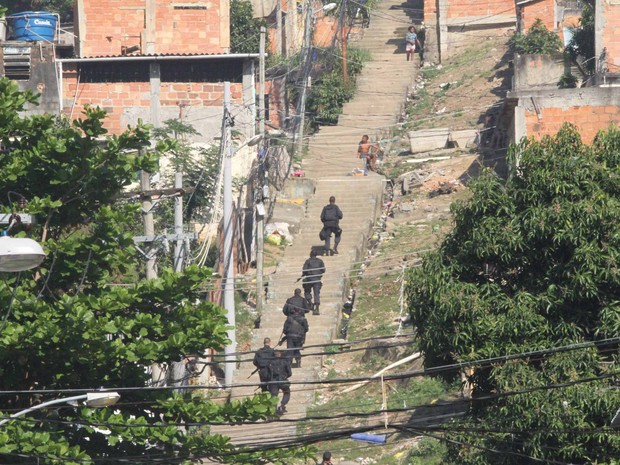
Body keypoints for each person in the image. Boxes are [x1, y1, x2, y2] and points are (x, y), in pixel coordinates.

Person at [268, 350, 292, 415]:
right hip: (283, 380)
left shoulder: (270, 362)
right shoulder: (285, 361)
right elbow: (290, 373)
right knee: (287, 393)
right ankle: (282, 405)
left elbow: (267, 373)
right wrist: (285, 376)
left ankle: (274, 409)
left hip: (273, 381)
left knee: (274, 396)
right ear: (280, 354)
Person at [302, 249, 326, 315]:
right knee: (316, 293)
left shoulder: (308, 261)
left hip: (309, 279)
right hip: (317, 279)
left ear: (311, 254)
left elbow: (304, 270)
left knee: (307, 291)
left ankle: (310, 303)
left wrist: (304, 275)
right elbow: (323, 270)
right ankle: (317, 308)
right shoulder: (320, 261)